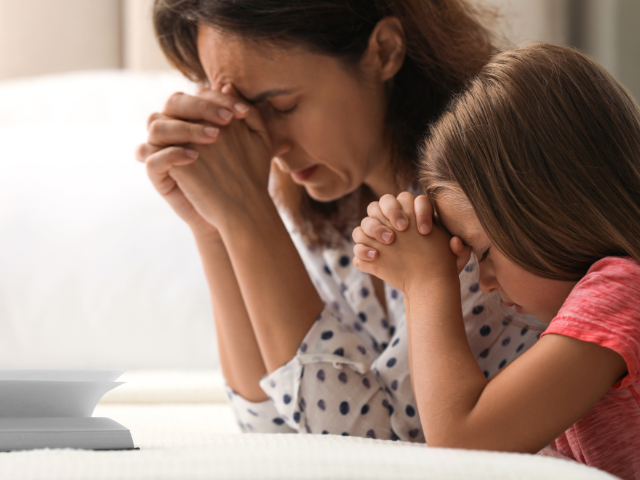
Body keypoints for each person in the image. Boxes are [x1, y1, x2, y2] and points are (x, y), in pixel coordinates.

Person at [135, 0, 542, 441]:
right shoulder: (339, 209)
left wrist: (247, 216)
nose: (267, 145)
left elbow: (374, 448)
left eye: (283, 106)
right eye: (243, 114)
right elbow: (271, 423)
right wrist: (213, 229)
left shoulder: (475, 211)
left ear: (385, 51)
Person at [353, 42, 640, 478]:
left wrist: (426, 283)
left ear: (548, 208)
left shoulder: (623, 290)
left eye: (484, 253)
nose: (484, 282)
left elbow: (463, 443)